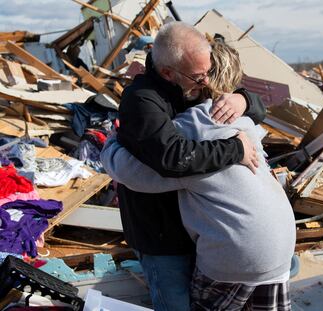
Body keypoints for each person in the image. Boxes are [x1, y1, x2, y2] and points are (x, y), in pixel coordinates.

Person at [102, 41, 296, 310]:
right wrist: (245, 101)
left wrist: (112, 141)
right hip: (280, 246)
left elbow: (133, 172)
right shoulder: (243, 122)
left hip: (235, 255)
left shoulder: (192, 128)